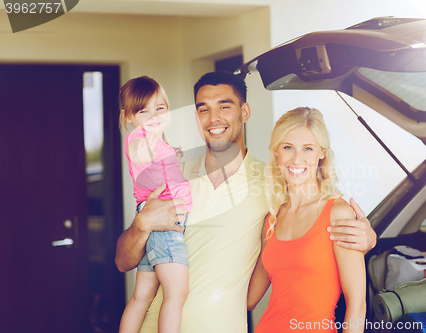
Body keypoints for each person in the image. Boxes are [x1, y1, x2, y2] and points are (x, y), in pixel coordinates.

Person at [114, 72, 376, 333]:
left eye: (225, 107)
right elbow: (123, 262)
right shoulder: (172, 174)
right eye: (204, 109)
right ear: (197, 117)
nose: (214, 118)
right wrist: (141, 225)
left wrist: (367, 237)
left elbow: (314, 209)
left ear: (245, 112)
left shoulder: (274, 186)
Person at [247, 107, 365, 332]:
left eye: (307, 148)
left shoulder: (338, 213)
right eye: (288, 147)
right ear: (277, 153)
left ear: (321, 153)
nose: (297, 158)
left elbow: (357, 305)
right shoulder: (272, 219)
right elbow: (249, 299)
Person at [118, 76, 192, 333]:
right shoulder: (139, 139)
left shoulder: (159, 143)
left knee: (143, 295)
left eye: (160, 108)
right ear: (128, 117)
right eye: (143, 111)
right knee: (177, 291)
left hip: (155, 213)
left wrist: (172, 152)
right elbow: (142, 154)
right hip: (161, 216)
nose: (153, 116)